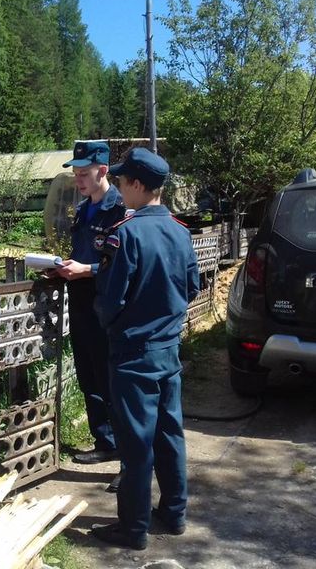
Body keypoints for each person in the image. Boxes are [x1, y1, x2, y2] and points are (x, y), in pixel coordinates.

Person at [90, 148, 200, 550]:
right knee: (170, 434)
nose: (118, 187)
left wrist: (110, 323)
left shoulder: (126, 233)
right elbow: (191, 287)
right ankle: (174, 514)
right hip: (169, 350)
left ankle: (133, 529)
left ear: (137, 185)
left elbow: (111, 297)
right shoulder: (180, 229)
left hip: (134, 353)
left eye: (121, 181)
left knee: (136, 444)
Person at [56, 140, 128, 490]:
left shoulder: (122, 210)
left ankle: (130, 460)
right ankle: (106, 443)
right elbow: (81, 250)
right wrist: (61, 268)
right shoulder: (84, 209)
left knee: (114, 383)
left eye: (83, 174)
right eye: (75, 173)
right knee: (89, 377)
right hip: (81, 302)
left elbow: (124, 266)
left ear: (103, 171)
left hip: (108, 307)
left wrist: (88, 270)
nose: (78, 180)